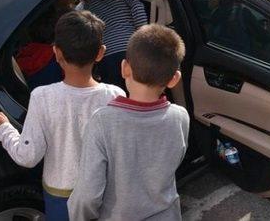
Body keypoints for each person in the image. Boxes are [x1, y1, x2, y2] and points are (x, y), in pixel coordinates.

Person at [0, 11, 125, 220]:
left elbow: (27, 157)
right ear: (100, 53)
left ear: (56, 52)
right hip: (102, 191)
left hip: (59, 196)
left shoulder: (43, 97)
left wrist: (3, 127)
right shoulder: (116, 95)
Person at [68, 24, 189, 220]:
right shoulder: (180, 116)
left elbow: (87, 195)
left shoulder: (102, 122)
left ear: (124, 68)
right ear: (174, 79)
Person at [85, 0, 148, 90]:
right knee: (136, 90)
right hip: (130, 49)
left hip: (106, 55)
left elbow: (90, 29)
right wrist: (145, 37)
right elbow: (138, 8)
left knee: (114, 93)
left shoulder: (89, 2)